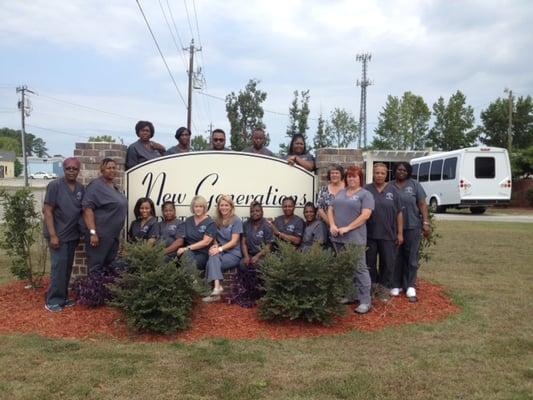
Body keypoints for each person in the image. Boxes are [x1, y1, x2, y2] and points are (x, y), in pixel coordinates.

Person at [328, 165, 374, 314]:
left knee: (359, 268)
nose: (351, 179)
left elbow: (365, 215)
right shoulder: (341, 192)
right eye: (349, 176)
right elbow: (330, 209)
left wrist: (348, 228)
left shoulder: (365, 195)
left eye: (354, 176)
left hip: (355, 238)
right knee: (346, 268)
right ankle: (350, 295)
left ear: (360, 178)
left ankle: (365, 301)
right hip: (338, 238)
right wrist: (333, 225)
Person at [43, 157, 85, 313]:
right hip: (58, 235)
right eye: (69, 168)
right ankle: (52, 301)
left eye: (75, 169)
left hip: (72, 235)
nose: (72, 171)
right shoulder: (55, 186)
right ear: (64, 169)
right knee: (58, 268)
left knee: (67, 268)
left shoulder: (80, 188)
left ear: (78, 170)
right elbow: (47, 211)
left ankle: (63, 297)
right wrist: (53, 235)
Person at [392, 161, 431, 302]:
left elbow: (422, 204)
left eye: (404, 170)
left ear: (408, 172)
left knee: (411, 257)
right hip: (394, 228)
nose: (401, 171)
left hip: (412, 226)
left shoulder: (415, 185)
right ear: (395, 171)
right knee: (396, 256)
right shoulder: (390, 186)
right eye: (398, 169)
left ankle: (410, 285)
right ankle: (396, 284)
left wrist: (426, 222)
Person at [364, 163, 404, 302]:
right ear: (373, 174)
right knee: (370, 263)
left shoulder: (394, 190)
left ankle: (384, 290)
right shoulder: (366, 190)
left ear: (386, 174)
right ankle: (372, 289)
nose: (379, 175)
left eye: (382, 173)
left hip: (388, 235)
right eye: (377, 173)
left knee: (387, 263)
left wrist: (400, 233)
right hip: (370, 235)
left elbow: (399, 213)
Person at [82, 158, 128, 273]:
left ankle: (104, 290)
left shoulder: (113, 186)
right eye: (108, 168)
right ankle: (93, 290)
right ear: (102, 170)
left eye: (114, 168)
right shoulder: (96, 186)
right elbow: (87, 209)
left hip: (112, 236)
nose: (112, 170)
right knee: (96, 266)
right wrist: (93, 233)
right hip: (100, 235)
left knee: (108, 265)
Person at [203, 195, 243, 302]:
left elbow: (234, 242)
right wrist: (216, 245)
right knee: (212, 254)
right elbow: (215, 237)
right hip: (222, 251)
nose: (224, 207)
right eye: (222, 205)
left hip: (234, 253)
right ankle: (217, 288)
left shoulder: (236, 220)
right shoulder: (217, 221)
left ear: (231, 207)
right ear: (218, 207)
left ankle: (214, 291)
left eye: (226, 205)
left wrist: (219, 249)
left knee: (210, 263)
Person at [176, 195, 216, 270]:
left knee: (192, 262)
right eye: (196, 206)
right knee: (187, 257)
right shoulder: (188, 220)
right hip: (189, 252)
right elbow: (182, 237)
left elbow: (206, 242)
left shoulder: (210, 222)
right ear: (193, 208)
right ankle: (193, 280)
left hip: (203, 253)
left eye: (201, 206)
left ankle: (190, 280)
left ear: (204, 208)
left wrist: (186, 248)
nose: (198, 209)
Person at [241, 201, 273, 268]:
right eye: (252, 211)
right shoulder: (246, 224)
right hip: (250, 254)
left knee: (258, 264)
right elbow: (243, 242)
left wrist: (257, 256)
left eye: (257, 211)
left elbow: (269, 245)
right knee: (242, 264)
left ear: (262, 212)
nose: (254, 213)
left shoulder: (267, 225)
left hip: (263, 255)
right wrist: (246, 256)